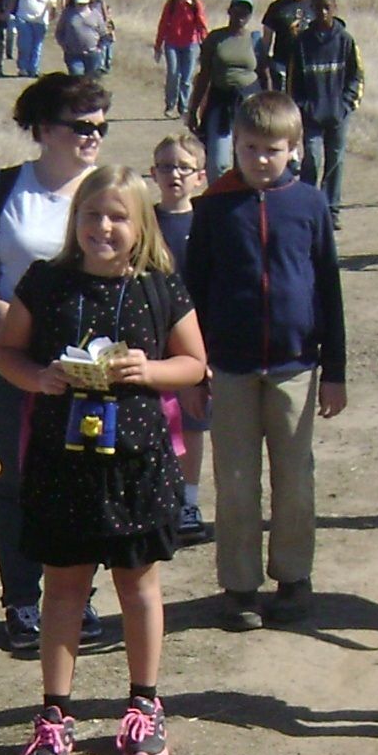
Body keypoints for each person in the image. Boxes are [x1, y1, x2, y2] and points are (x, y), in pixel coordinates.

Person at [0, 167, 208, 755]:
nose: (103, 228)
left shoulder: (159, 284)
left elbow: (194, 363)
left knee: (138, 585)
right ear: (75, 221)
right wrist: (36, 378)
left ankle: (144, 705)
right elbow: (7, 351)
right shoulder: (45, 282)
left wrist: (151, 371)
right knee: (62, 586)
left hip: (137, 462)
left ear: (141, 225)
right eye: (92, 215)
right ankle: (55, 715)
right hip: (62, 463)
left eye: (117, 217)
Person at [0, 74, 112, 654]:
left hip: (87, 368)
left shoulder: (110, 189)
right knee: (15, 484)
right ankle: (21, 603)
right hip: (9, 363)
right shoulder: (5, 187)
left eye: (101, 125)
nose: (93, 136)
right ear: (44, 129)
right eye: (81, 126)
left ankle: (77, 598)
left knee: (81, 480)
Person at [187, 92, 347, 629]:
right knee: (234, 480)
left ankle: (294, 576)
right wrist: (192, 368)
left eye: (272, 149)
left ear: (294, 150)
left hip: (296, 366)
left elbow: (328, 287)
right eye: (249, 147)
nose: (259, 159)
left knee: (294, 477)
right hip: (229, 369)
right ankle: (239, 586)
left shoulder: (310, 205)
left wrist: (336, 372)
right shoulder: (213, 208)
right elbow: (194, 293)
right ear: (234, 146)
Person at [151, 132, 212, 544]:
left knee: (192, 422)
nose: (175, 174)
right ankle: (157, 498)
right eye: (166, 166)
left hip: (195, 342)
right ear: (153, 173)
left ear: (200, 177)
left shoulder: (207, 224)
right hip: (151, 338)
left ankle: (188, 500)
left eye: (184, 168)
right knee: (154, 422)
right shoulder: (144, 220)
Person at [287, 0, 364, 230]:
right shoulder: (302, 43)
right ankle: (307, 205)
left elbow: (357, 77)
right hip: (312, 114)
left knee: (336, 160)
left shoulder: (345, 40)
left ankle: (331, 210)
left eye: (326, 7)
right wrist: (302, 107)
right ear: (311, 10)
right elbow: (293, 81)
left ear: (335, 9)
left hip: (337, 114)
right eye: (317, 7)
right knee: (313, 157)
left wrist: (346, 104)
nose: (322, 12)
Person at [186, 0, 264, 183]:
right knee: (218, 162)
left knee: (246, 158)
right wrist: (193, 109)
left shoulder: (255, 40)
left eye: (246, 11)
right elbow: (204, 76)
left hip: (248, 103)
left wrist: (268, 106)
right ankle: (217, 199)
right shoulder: (215, 39)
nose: (241, 14)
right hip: (220, 103)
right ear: (230, 10)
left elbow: (264, 74)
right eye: (238, 9)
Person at [153, 0, 208, 118]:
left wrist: (206, 46)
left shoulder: (196, 5)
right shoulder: (171, 4)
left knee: (187, 77)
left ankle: (183, 108)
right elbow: (163, 24)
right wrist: (158, 45)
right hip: (172, 43)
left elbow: (202, 26)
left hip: (191, 44)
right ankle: (170, 105)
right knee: (173, 74)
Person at [259, 0, 312, 91]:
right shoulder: (276, 7)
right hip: (283, 64)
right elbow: (267, 39)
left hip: (309, 62)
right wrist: (263, 62)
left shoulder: (313, 4)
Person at [11, 0, 58, 78]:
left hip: (40, 21)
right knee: (25, 45)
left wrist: (53, 11)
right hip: (23, 18)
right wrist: (10, 12)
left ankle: (34, 69)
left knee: (37, 46)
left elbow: (53, 1)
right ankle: (23, 68)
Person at [55, 0, 108, 76]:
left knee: (91, 82)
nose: (81, 5)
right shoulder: (67, 14)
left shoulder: (96, 14)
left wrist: (99, 48)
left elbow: (104, 34)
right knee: (77, 78)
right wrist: (64, 45)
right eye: (79, 3)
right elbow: (59, 32)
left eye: (83, 3)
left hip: (92, 55)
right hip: (73, 55)